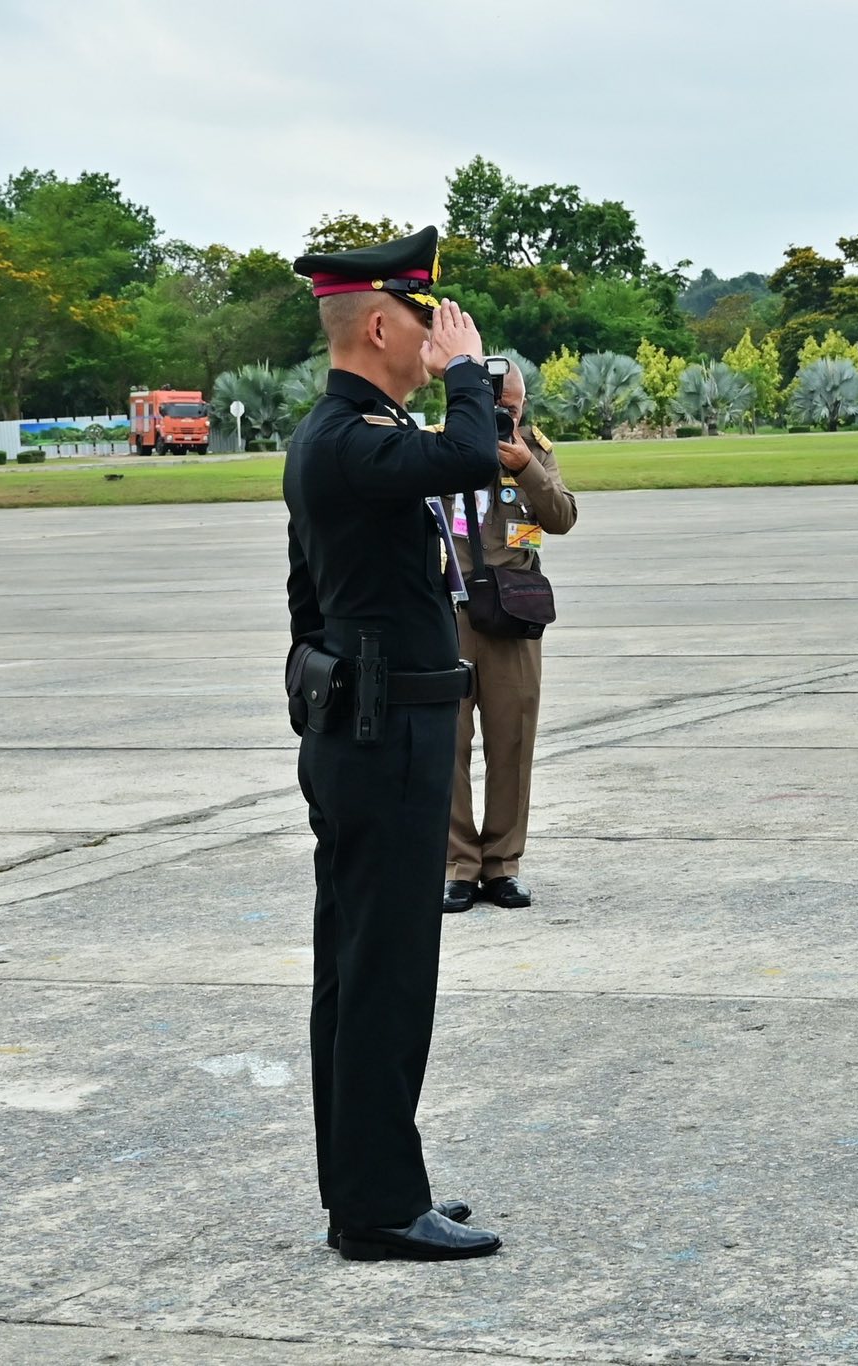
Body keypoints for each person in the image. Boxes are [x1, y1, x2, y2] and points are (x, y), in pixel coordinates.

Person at [284, 225, 505, 1261]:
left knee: (360, 969)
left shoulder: (349, 435)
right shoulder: (349, 439)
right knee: (385, 974)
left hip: (367, 730)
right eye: (427, 321)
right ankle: (375, 1208)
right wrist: (468, 376)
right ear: (379, 326)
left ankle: (369, 1188)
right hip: (384, 739)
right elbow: (468, 458)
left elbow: (306, 596)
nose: (439, 337)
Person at [442, 361, 578, 914]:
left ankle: (502, 865)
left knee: (512, 742)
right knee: (446, 744)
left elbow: (563, 517)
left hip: (512, 615)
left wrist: (526, 469)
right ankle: (457, 866)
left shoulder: (534, 451)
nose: (504, 417)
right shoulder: (437, 448)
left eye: (512, 409)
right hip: (448, 613)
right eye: (493, 407)